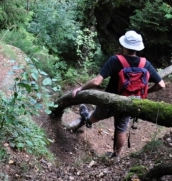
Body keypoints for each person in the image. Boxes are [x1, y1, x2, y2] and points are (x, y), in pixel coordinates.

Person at [70, 30, 165, 158]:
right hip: (130, 102)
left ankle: (86, 120)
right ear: (137, 48)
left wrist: (81, 88)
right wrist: (146, 92)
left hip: (109, 99)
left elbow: (97, 81)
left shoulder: (115, 60)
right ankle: (116, 156)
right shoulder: (145, 64)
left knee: (97, 115)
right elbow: (161, 85)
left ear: (124, 46)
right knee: (121, 129)